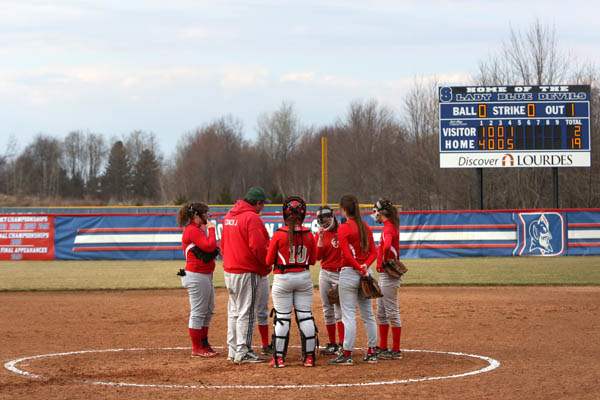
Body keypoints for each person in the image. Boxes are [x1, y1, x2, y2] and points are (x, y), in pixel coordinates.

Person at [265, 196, 318, 368]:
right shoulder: (309, 235)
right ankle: (309, 358)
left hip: (283, 278)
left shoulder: (279, 235)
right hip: (303, 277)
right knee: (305, 316)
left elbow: (268, 261)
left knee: (282, 318)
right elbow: (313, 261)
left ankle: (279, 358)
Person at [221, 186, 270, 364]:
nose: (263, 208)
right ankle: (244, 350)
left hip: (230, 270)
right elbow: (257, 247)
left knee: (234, 312)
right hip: (246, 270)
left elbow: (223, 244)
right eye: (262, 204)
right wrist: (265, 266)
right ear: (257, 203)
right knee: (247, 312)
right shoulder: (252, 218)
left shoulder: (229, 216)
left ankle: (233, 350)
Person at [329, 194, 378, 366]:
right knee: (368, 315)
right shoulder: (365, 226)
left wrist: (358, 267)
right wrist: (365, 267)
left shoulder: (344, 228)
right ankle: (372, 352)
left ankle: (347, 353)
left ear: (344, 209)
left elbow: (347, 254)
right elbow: (374, 252)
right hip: (365, 272)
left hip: (350, 272)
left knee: (348, 315)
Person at [178, 202, 219, 358]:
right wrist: (212, 229)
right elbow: (209, 246)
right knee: (198, 312)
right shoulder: (192, 231)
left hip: (204, 275)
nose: (208, 216)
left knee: (208, 311)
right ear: (196, 216)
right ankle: (197, 348)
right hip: (196, 275)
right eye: (205, 214)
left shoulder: (196, 230)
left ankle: (204, 344)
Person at [373, 199, 403, 359]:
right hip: (385, 274)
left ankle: (396, 350)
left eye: (375, 211)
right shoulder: (388, 226)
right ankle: (383, 347)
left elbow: (387, 246)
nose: (374, 214)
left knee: (391, 311)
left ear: (382, 212)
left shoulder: (389, 228)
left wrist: (384, 259)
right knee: (382, 312)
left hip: (389, 274)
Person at [315, 206, 344, 355]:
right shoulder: (321, 233)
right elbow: (317, 257)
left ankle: (342, 344)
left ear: (332, 216)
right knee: (327, 309)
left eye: (326, 221)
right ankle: (332, 343)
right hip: (325, 273)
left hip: (340, 275)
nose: (324, 224)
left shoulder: (342, 230)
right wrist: (320, 238)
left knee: (340, 310)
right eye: (322, 222)